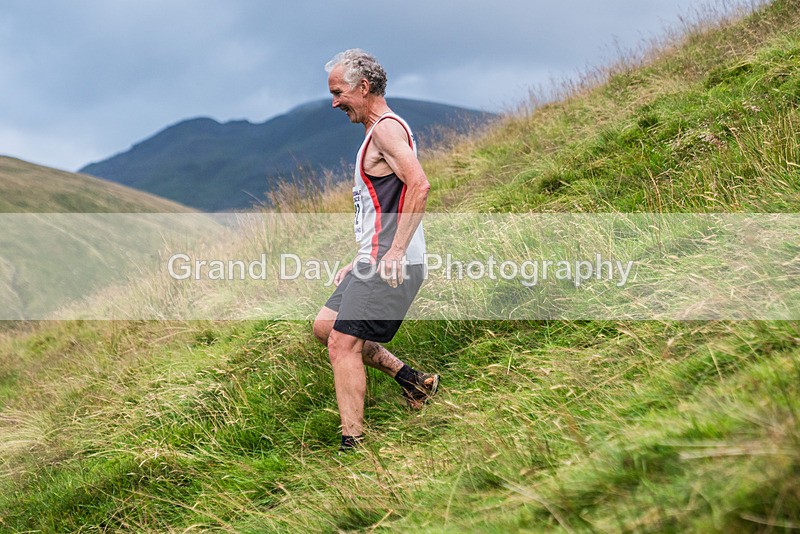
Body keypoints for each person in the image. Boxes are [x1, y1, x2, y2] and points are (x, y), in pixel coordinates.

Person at [312, 49, 439, 452]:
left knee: (341, 344)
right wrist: (360, 257)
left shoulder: (386, 130)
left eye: (338, 92)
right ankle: (414, 382)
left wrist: (396, 251)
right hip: (373, 259)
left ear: (362, 88)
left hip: (391, 263)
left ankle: (354, 446)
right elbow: (383, 204)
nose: (334, 102)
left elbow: (419, 185)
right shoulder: (378, 132)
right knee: (325, 327)